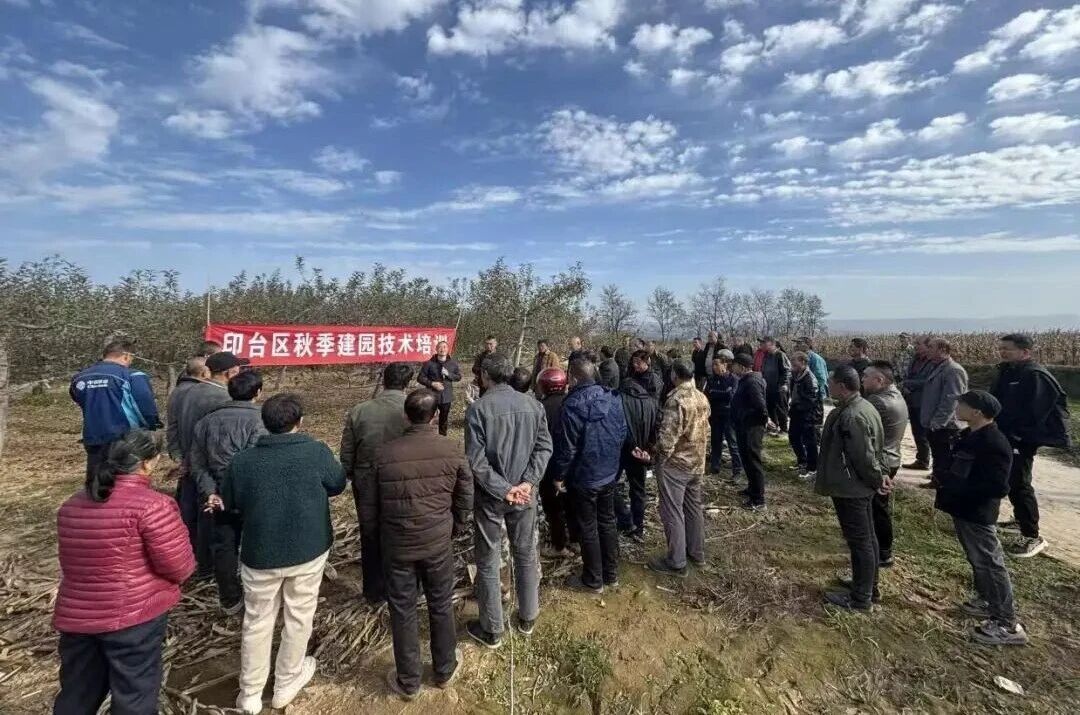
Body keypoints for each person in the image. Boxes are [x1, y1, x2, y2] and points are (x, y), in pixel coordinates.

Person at [53, 429, 195, 715]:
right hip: (133, 618)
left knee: (77, 694)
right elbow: (179, 566)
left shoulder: (72, 505)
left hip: (78, 618)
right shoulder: (154, 506)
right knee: (134, 696)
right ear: (147, 463)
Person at [222, 393, 346, 714]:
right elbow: (337, 483)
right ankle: (286, 681)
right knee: (299, 615)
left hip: (260, 553)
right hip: (308, 549)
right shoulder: (315, 451)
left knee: (257, 620)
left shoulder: (242, 462)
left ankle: (250, 694)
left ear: (265, 423)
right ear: (299, 422)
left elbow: (230, 502)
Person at [376, 389, 473, 700]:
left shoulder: (383, 454)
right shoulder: (452, 449)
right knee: (440, 603)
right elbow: (465, 495)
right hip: (437, 541)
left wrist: (378, 536)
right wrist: (455, 526)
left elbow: (369, 504)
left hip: (397, 544)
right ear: (435, 416)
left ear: (406, 416)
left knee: (402, 608)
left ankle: (409, 681)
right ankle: (444, 670)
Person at [464, 354, 553, 648]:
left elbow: (476, 461)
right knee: (525, 552)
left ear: (485, 376)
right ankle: (528, 617)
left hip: (492, 497)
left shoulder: (478, 409)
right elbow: (544, 448)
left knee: (488, 560)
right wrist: (527, 482)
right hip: (524, 495)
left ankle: (493, 629)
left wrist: (505, 489)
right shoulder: (534, 405)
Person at [935, 391, 1028, 645]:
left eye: (962, 404)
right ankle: (987, 601)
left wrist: (959, 488)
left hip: (976, 513)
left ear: (976, 412)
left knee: (990, 563)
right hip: (963, 510)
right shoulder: (970, 435)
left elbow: (998, 487)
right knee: (978, 560)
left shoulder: (993, 443)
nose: (957, 407)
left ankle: (1007, 624)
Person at [190, 370, 267, 614]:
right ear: (258, 392)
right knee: (258, 542)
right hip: (252, 495)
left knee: (224, 545)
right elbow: (256, 462)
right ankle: (259, 596)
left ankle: (230, 599)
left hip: (219, 495)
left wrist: (210, 493)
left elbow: (198, 465)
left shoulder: (205, 422)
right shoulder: (260, 420)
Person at [991, 333, 1071, 559]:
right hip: (1007, 434)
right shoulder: (1008, 371)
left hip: (1023, 438)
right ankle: (1019, 520)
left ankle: (1032, 535)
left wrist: (1017, 435)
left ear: (1025, 351)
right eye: (1001, 348)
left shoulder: (1035, 375)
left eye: (1008, 349)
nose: (1003, 352)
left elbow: (1035, 412)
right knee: (1010, 479)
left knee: (1019, 482)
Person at [551, 359, 627, 594]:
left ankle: (594, 579)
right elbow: (622, 432)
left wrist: (558, 476)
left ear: (573, 378)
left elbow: (567, 448)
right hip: (608, 472)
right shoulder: (613, 397)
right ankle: (611, 574)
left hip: (585, 476)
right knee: (607, 521)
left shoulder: (571, 405)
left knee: (589, 526)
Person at [340, 362, 413, 603]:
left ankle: (373, 591)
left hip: (366, 479)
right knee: (401, 530)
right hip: (402, 479)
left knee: (370, 534)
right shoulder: (413, 409)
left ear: (384, 380)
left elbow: (347, 451)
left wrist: (349, 473)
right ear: (408, 383)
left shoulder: (359, 410)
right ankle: (401, 587)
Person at [173, 350, 249, 578]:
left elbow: (175, 427)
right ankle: (209, 567)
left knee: (194, 516)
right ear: (230, 373)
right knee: (212, 518)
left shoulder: (189, 391)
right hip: (209, 466)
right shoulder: (221, 399)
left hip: (191, 461)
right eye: (238, 370)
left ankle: (197, 561)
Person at [816, 366, 887, 612]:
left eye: (831, 383)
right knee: (868, 538)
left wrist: (877, 479)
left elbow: (863, 458)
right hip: (857, 486)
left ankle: (860, 598)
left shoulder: (853, 416)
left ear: (842, 386)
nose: (828, 386)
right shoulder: (862, 407)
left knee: (860, 542)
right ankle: (868, 586)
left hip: (852, 488)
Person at [642, 360, 710, 577]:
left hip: (677, 465)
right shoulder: (701, 397)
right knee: (693, 509)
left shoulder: (676, 400)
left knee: (672, 511)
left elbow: (667, 440)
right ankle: (697, 554)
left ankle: (676, 561)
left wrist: (655, 456)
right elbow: (706, 430)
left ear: (675, 375)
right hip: (697, 463)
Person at [70, 337, 161, 480]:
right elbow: (146, 407)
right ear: (126, 356)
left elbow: (78, 398)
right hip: (125, 438)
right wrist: (151, 426)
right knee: (125, 479)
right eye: (131, 359)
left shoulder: (80, 378)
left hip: (93, 437)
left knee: (96, 477)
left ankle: (95, 493)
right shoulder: (133, 376)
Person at [862, 361, 908, 568]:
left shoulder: (877, 401)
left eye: (866, 376)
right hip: (891, 458)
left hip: (881, 462)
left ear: (879, 380)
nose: (862, 380)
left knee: (876, 508)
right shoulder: (895, 394)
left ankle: (883, 552)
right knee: (877, 506)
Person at [616, 362, 660, 542]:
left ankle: (625, 519)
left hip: (622, 451)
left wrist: (630, 445)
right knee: (638, 491)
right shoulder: (652, 403)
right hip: (642, 452)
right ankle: (638, 527)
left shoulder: (619, 399)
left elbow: (618, 427)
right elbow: (656, 429)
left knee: (609, 485)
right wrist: (648, 450)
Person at [537, 368, 578, 557]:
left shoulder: (540, 408)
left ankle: (559, 545)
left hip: (549, 465)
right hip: (572, 464)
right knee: (572, 504)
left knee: (553, 509)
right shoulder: (574, 402)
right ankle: (576, 540)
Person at [920, 338, 969, 489]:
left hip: (946, 425)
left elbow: (951, 400)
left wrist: (937, 423)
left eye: (931, 347)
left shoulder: (953, 370)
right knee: (938, 455)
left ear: (942, 350)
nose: (927, 350)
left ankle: (942, 485)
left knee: (944, 457)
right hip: (936, 423)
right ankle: (937, 481)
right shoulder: (937, 367)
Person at [731, 354, 770, 510]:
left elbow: (760, 406)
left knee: (753, 461)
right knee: (746, 459)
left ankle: (759, 500)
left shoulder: (752, 382)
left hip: (752, 427)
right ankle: (752, 488)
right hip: (744, 425)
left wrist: (761, 421)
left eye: (734, 365)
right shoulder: (745, 380)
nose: (732, 368)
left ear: (742, 366)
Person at [704, 352, 742, 480]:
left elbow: (731, 397)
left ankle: (737, 469)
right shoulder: (711, 380)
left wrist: (718, 394)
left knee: (732, 442)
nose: (714, 367)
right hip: (715, 415)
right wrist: (722, 394)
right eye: (713, 365)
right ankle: (715, 466)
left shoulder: (733, 379)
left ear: (725, 365)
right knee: (715, 441)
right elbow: (707, 396)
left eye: (716, 364)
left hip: (729, 415)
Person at [788, 352, 823, 480]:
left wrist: (799, 406)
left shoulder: (810, 379)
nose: (792, 366)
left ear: (803, 362)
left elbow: (811, 400)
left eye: (795, 363)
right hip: (796, 412)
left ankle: (813, 468)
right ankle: (802, 461)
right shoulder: (796, 375)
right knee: (793, 436)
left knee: (810, 441)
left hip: (808, 414)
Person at [902, 337, 935, 471]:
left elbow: (928, 381)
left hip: (924, 401)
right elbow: (908, 375)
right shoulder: (914, 359)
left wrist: (908, 384)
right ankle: (921, 459)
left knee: (924, 433)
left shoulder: (932, 362)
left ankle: (926, 461)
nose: (915, 346)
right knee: (916, 431)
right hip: (911, 399)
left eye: (918, 344)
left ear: (927, 347)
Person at [417, 341, 462, 436]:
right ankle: (428, 436)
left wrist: (448, 374)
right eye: (440, 347)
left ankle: (442, 436)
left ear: (448, 349)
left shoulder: (453, 363)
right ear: (436, 349)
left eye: (444, 347)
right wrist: (432, 383)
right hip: (431, 395)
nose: (442, 349)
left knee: (444, 418)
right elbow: (420, 378)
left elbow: (458, 377)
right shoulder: (429, 363)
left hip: (446, 396)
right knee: (429, 417)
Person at [759, 337, 791, 435]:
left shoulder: (780, 355)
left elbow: (787, 371)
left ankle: (784, 429)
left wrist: (784, 384)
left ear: (772, 344)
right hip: (768, 387)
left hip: (779, 388)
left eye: (764, 343)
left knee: (781, 408)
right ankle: (774, 427)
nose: (762, 345)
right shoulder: (766, 356)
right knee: (770, 408)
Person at [795, 337, 829, 401]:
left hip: (815, 396)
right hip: (803, 395)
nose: (796, 345)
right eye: (796, 343)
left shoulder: (815, 358)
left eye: (799, 343)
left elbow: (821, 380)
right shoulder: (801, 358)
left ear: (807, 345)